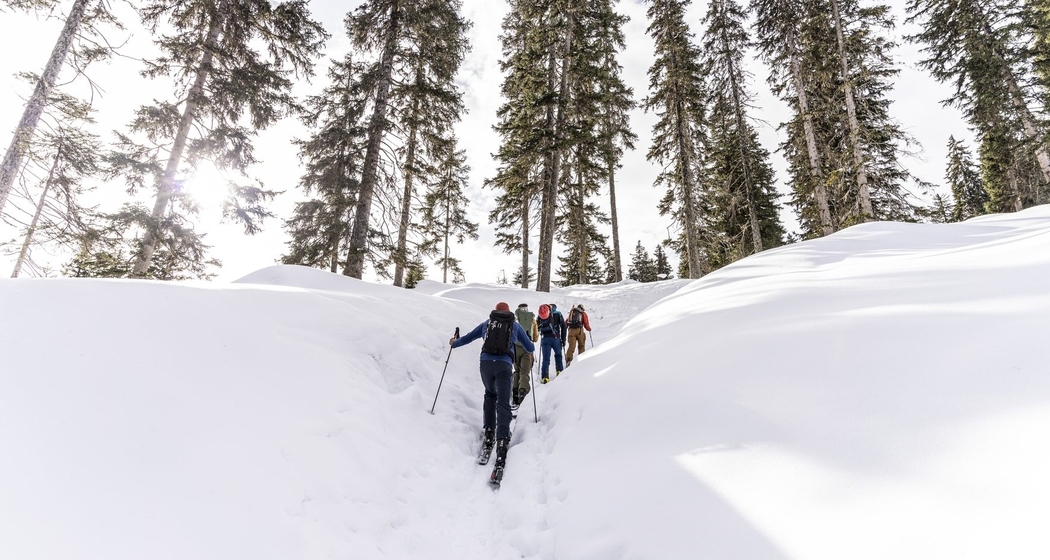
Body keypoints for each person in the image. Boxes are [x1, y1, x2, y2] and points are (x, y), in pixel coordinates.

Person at [450, 302, 535, 465]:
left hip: (486, 365)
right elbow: (530, 347)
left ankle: (489, 432)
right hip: (504, 366)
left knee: (490, 395)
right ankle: (502, 439)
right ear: (509, 313)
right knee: (503, 402)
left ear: (495, 311)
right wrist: (529, 343)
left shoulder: (487, 324)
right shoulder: (515, 326)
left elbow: (468, 338)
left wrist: (454, 342)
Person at [512, 303, 538, 408]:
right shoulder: (532, 319)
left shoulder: (514, 319)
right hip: (527, 348)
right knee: (524, 372)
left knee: (517, 370)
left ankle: (515, 393)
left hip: (515, 347)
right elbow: (535, 337)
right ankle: (523, 392)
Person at [536, 303, 565, 383]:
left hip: (545, 339)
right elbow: (563, 326)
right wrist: (563, 339)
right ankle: (559, 371)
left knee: (546, 358)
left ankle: (545, 377)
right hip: (555, 338)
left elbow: (536, 327)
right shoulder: (557, 314)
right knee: (558, 355)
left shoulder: (540, 315)